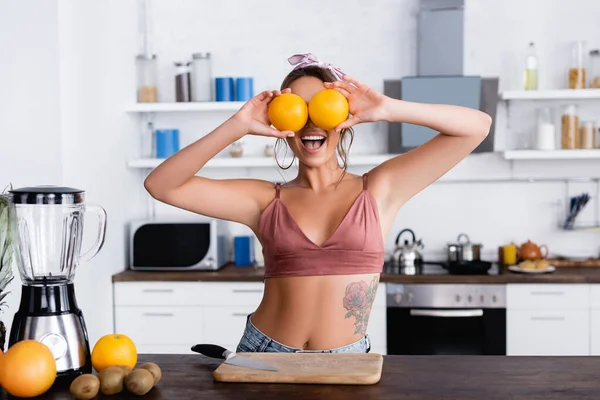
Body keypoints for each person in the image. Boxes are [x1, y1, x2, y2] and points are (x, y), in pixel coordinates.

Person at [144, 53, 492, 354]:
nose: (310, 120)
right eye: (297, 109)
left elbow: (477, 127)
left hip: (347, 360)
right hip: (267, 355)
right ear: (282, 121)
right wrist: (238, 126)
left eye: (321, 109)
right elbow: (161, 185)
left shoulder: (380, 189)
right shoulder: (265, 200)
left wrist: (387, 108)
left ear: (342, 118)